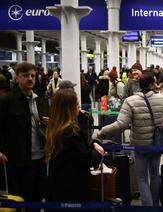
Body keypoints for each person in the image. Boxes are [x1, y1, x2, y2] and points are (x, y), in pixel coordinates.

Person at [97, 72, 163, 206]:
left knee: (142, 177)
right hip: (157, 143)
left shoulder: (131, 101)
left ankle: (148, 207)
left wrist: (103, 131)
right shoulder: (161, 98)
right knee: (154, 174)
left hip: (139, 145)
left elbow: (121, 124)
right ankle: (156, 205)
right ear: (152, 84)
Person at [0, 62, 49, 202]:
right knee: (21, 200)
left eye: (33, 75)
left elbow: (47, 127)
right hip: (18, 160)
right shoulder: (7, 100)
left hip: (40, 159)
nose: (30, 78)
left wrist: (50, 123)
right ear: (17, 78)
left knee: (38, 199)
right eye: (25, 75)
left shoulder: (41, 100)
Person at [46, 88, 104, 201]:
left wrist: (92, 144)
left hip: (59, 184)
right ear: (69, 108)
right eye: (77, 104)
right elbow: (89, 159)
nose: (79, 107)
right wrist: (97, 148)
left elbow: (79, 150)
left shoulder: (55, 128)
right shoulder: (70, 133)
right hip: (72, 189)